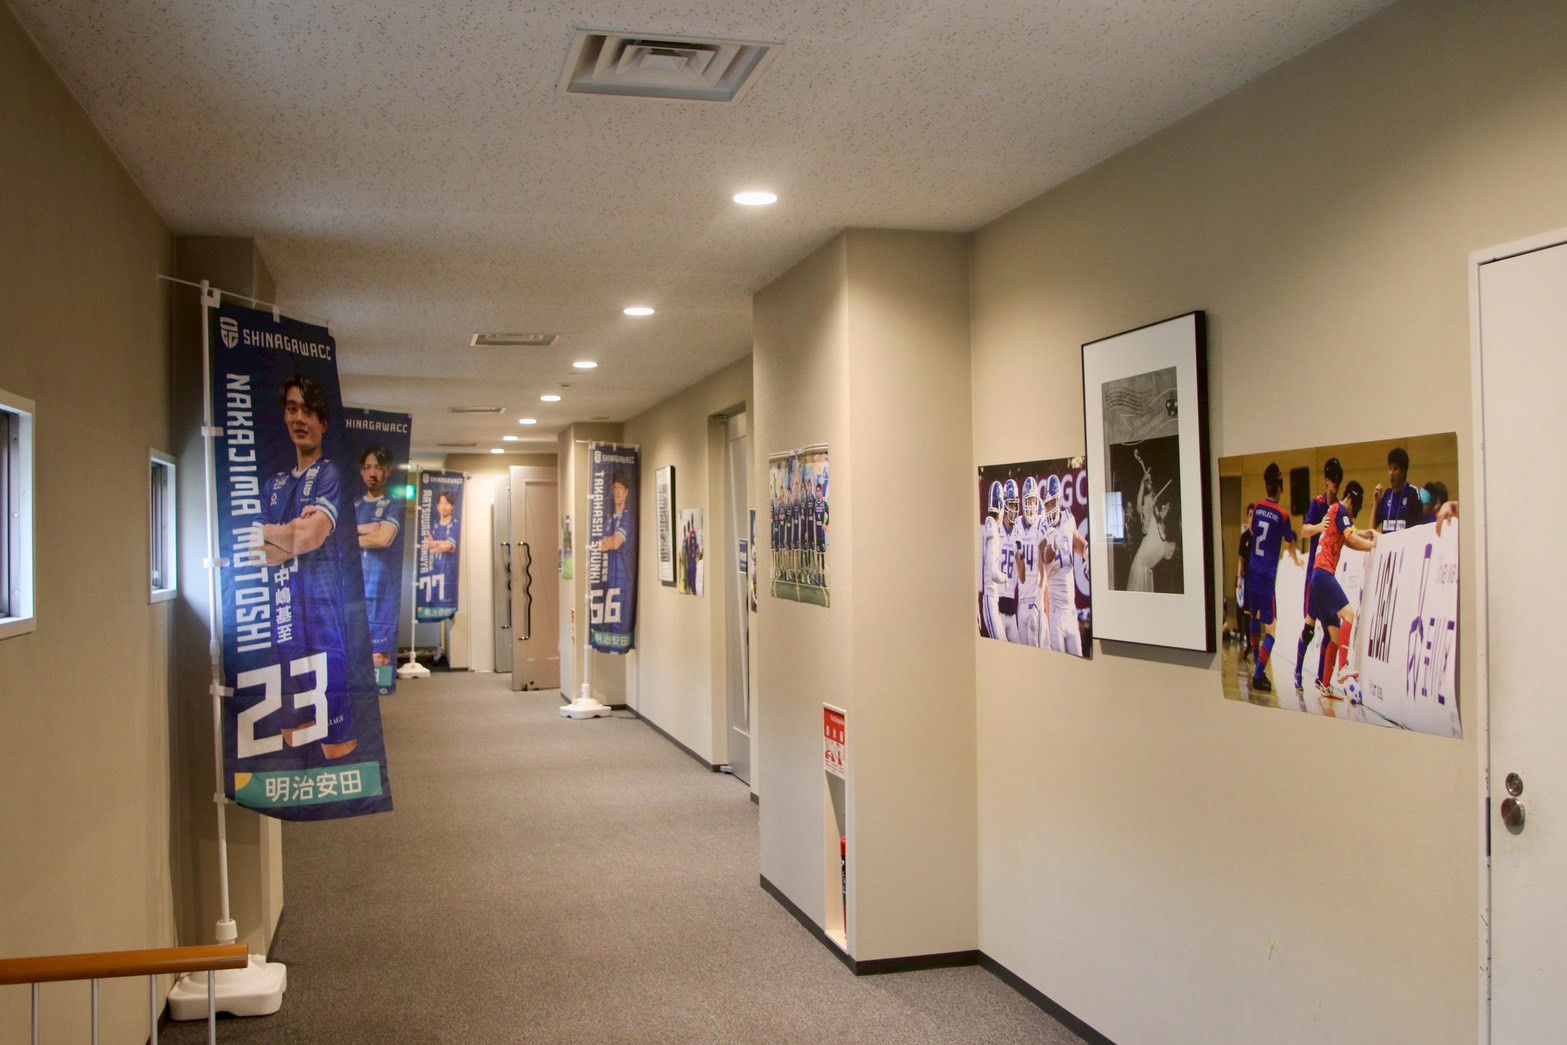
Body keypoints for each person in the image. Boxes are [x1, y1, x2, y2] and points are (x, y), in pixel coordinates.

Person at [257, 373, 357, 760]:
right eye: (292, 409)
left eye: (308, 411)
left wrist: (283, 535)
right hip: (285, 619)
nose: (299, 418)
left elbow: (309, 537)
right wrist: (289, 533)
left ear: (322, 423)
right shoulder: (274, 485)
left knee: (336, 747)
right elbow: (255, 549)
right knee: (294, 742)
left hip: (324, 620)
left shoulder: (330, 473)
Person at [1308, 480, 1379, 698]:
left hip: (1316, 576)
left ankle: (1325, 683)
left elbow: (1349, 538)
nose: (1353, 516)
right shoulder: (1340, 509)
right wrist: (1374, 545)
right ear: (1350, 500)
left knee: (1335, 635)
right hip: (1323, 573)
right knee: (1349, 614)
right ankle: (1344, 667)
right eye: (1354, 511)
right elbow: (1350, 537)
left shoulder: (1336, 511)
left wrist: (1368, 535)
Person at [1245, 463, 1302, 693]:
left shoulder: (1258, 507)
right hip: (1267, 578)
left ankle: (1256, 661)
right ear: (1280, 486)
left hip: (1252, 572)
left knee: (1254, 616)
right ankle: (1259, 674)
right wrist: (1296, 560)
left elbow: (1252, 529)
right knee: (1272, 629)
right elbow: (1290, 543)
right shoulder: (1283, 515)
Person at [1293, 458, 1342, 690]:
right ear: (1326, 481)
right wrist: (1319, 526)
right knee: (1309, 629)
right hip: (1314, 573)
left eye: (1339, 479)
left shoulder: (1339, 508)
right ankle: (1297, 672)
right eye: (1333, 479)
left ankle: (1322, 678)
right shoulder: (1318, 503)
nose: (1336, 483)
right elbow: (1304, 530)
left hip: (1328, 575)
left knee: (1330, 629)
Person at [354, 445, 402, 678]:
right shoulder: (352, 505)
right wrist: (365, 529)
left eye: (378, 468)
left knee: (379, 655)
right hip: (353, 588)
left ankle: (380, 694)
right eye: (367, 467)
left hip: (381, 591)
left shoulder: (395, 503)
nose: (372, 473)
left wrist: (349, 537)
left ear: (388, 471)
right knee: (353, 650)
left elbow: (383, 539)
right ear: (361, 471)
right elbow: (330, 537)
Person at [1039, 473, 1088, 655]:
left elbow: (1080, 544)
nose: (1049, 508)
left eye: (1052, 503)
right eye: (1047, 504)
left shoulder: (1068, 520)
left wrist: (1088, 556)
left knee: (1078, 659)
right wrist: (1054, 545)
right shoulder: (1043, 527)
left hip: (1072, 611)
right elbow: (1045, 556)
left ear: (1059, 501)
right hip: (1056, 612)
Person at [1126, 448, 1176, 592]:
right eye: (1149, 480)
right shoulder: (1149, 503)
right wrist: (1142, 484)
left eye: (1150, 481)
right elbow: (1138, 507)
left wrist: (1163, 513)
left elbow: (1160, 521)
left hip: (1150, 561)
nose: (1150, 483)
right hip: (1143, 557)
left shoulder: (1159, 515)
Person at [595, 470, 635, 607]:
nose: (616, 492)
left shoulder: (627, 518)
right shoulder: (608, 519)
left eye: (620, 488)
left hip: (622, 579)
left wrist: (610, 541)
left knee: (620, 616)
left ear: (626, 492)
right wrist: (609, 542)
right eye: (614, 488)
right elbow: (601, 546)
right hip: (609, 578)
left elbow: (615, 543)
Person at [1015, 477, 1045, 648]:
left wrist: (1038, 603)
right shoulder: (1018, 524)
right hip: (1021, 601)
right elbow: (1021, 574)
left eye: (1034, 500)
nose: (1032, 505)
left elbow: (1043, 571)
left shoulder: (1041, 523)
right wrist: (1019, 552)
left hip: (1035, 599)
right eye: (1029, 500)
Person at [421, 490, 459, 605]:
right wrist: (440, 543)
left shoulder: (455, 525)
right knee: (431, 604)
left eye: (447, 503)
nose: (444, 506)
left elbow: (448, 546)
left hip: (448, 575)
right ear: (437, 506)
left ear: (452, 506)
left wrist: (436, 544)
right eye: (441, 503)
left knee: (446, 605)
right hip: (433, 573)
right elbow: (427, 545)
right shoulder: (434, 526)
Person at [1372, 447, 1422, 533]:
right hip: (1387, 541)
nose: (1391, 473)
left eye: (1395, 469)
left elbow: (1419, 528)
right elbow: (1371, 530)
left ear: (1403, 472)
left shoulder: (1413, 492)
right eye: (1390, 468)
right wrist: (1375, 503)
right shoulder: (1387, 494)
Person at [1235, 503, 1255, 655]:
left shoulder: (1260, 537)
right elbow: (1241, 559)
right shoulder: (1244, 537)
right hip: (1247, 579)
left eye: (1255, 515)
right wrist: (1239, 579)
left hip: (1258, 579)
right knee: (1246, 613)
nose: (1252, 518)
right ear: (1247, 517)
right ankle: (1248, 643)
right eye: (1250, 515)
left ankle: (1255, 644)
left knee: (1256, 614)